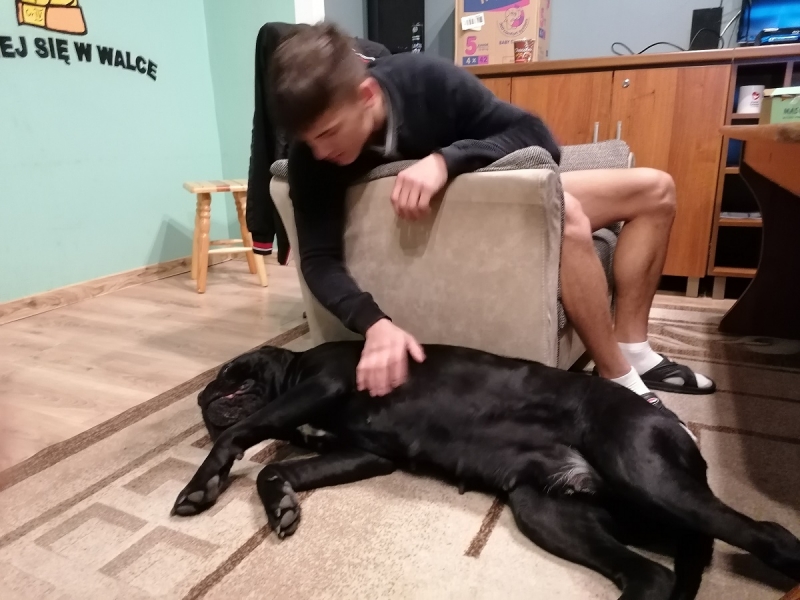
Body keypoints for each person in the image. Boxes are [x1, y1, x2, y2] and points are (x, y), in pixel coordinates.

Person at [269, 22, 715, 409]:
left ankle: (633, 346)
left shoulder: (426, 80)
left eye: (329, 132)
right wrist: (374, 323)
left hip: (495, 202)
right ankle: (617, 378)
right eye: (309, 140)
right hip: (462, 235)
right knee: (569, 215)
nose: (321, 152)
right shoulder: (312, 161)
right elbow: (318, 260)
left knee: (657, 189)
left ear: (366, 94)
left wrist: (446, 160)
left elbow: (537, 136)